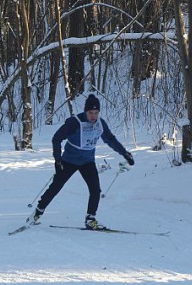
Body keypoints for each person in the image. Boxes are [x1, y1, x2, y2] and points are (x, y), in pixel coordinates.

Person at [32, 94, 134, 230]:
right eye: (90, 113)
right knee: (56, 186)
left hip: (87, 162)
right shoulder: (74, 122)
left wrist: (124, 153)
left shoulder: (100, 124)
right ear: (86, 111)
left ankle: (90, 218)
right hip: (68, 161)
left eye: (96, 113)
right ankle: (38, 212)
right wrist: (57, 159)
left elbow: (110, 139)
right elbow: (56, 138)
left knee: (95, 190)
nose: (93, 116)